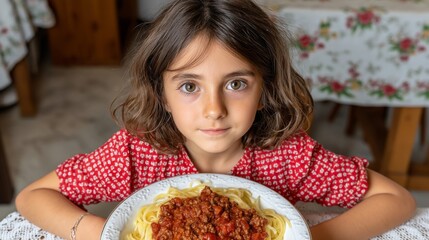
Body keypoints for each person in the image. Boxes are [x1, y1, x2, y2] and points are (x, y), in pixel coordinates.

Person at [15, 0, 416, 239]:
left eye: (237, 83)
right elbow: (33, 197)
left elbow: (395, 200)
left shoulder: (288, 155)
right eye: (189, 86)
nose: (213, 109)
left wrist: (310, 235)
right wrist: (101, 233)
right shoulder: (136, 152)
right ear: (162, 94)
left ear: (265, 90)